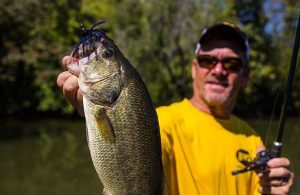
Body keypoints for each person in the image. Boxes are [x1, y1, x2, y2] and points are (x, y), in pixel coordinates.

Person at [57, 22, 294, 195]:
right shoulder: (165, 121)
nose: (219, 70)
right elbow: (132, 152)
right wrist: (91, 110)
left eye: (231, 63)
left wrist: (271, 190)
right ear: (194, 68)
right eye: (208, 60)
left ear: (245, 75)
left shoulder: (253, 139)